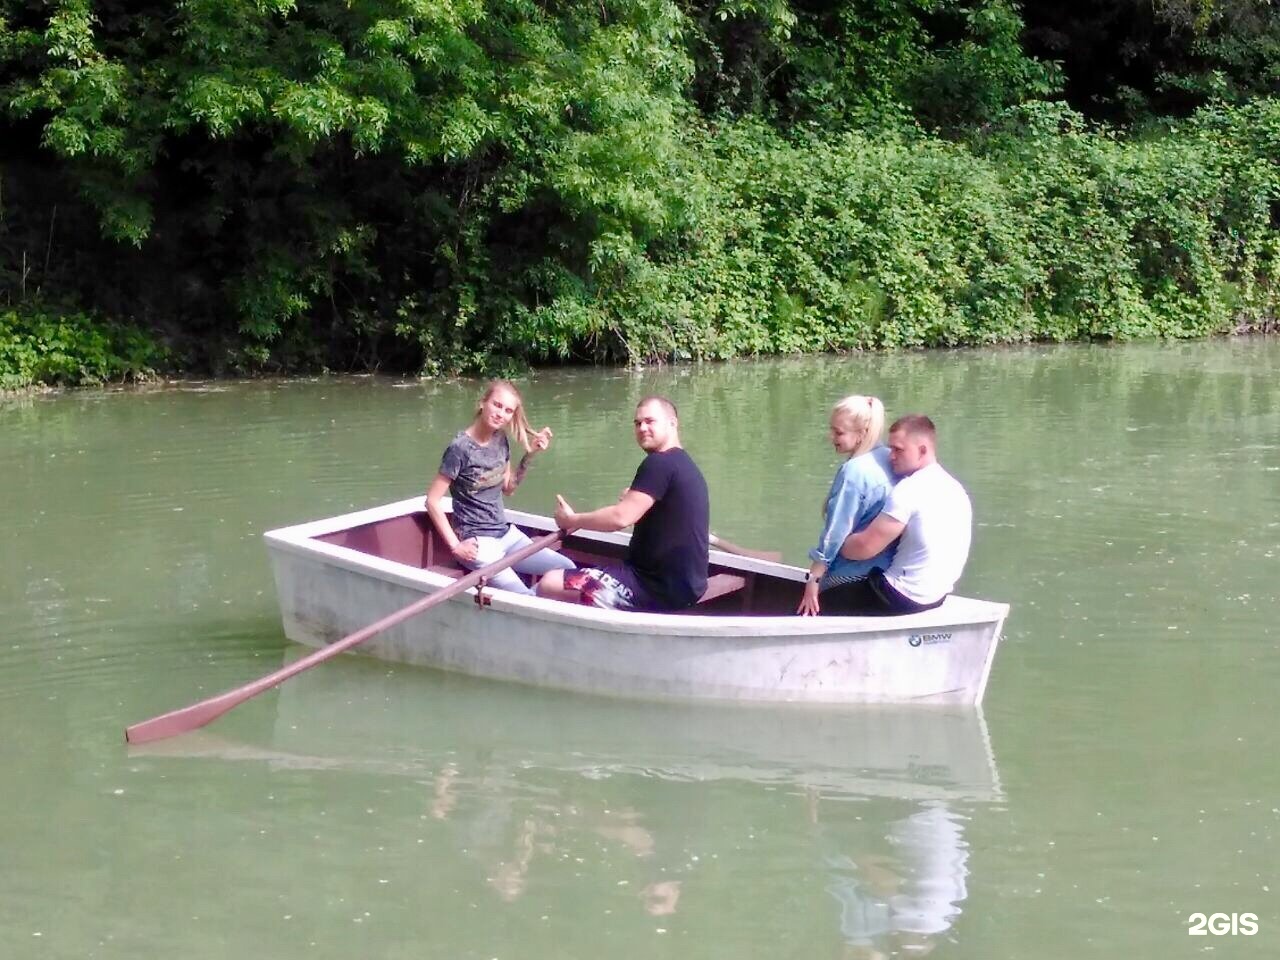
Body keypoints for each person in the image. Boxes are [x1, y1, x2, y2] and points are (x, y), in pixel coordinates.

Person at [537, 396, 709, 611]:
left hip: (655, 587)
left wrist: (571, 520)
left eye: (650, 421)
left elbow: (620, 518)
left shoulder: (659, 463)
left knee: (549, 583)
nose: (642, 428)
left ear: (672, 423)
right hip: (688, 587)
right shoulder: (682, 463)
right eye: (637, 423)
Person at [425, 380, 575, 595]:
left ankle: (537, 603)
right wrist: (455, 546)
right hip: (479, 544)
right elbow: (432, 501)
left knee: (567, 570)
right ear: (482, 403)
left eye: (508, 410)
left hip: (506, 535)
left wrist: (530, 454)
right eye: (497, 405)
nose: (500, 414)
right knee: (524, 596)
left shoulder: (500, 440)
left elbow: (508, 488)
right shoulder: (459, 449)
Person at [821, 415, 971, 616]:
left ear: (923, 450)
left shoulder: (909, 490)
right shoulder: (955, 488)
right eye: (890, 448)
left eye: (898, 450)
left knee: (817, 598)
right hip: (937, 597)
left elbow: (863, 548)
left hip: (899, 597)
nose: (891, 456)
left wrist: (835, 542)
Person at [797, 395, 897, 616]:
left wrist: (813, 579)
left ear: (862, 433)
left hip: (851, 576)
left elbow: (835, 532)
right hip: (884, 573)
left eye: (839, 432)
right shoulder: (889, 458)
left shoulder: (854, 472)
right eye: (832, 430)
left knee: (798, 613)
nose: (831, 437)